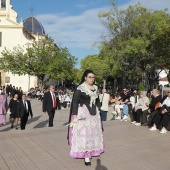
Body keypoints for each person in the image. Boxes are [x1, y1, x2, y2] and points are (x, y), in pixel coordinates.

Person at [68, 70, 105, 166]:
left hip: (94, 115)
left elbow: (97, 102)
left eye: (93, 77)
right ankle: (86, 155)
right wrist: (75, 115)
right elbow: (75, 101)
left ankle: (92, 151)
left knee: (93, 133)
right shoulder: (80, 88)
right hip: (83, 113)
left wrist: (99, 107)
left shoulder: (95, 88)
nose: (92, 79)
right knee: (84, 134)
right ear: (85, 77)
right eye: (90, 77)